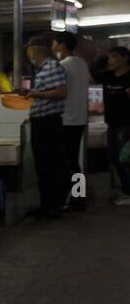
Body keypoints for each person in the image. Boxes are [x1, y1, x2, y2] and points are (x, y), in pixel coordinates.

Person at [19, 34, 68, 220]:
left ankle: (54, 207)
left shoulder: (51, 66)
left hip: (49, 121)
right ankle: (46, 205)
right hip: (41, 121)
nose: (27, 53)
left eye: (28, 49)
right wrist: (32, 94)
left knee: (51, 164)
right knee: (43, 165)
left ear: (35, 49)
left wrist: (35, 95)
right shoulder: (40, 69)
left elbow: (61, 92)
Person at [52, 31, 90, 212]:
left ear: (62, 46)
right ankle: (79, 196)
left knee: (67, 162)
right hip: (80, 118)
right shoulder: (81, 63)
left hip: (67, 119)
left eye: (54, 43)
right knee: (75, 160)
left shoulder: (63, 66)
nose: (53, 47)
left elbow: (59, 92)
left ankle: (69, 198)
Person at [95, 45, 130, 205]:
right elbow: (92, 74)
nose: (111, 61)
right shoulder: (108, 76)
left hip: (126, 124)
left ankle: (128, 193)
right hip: (112, 123)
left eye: (114, 57)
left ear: (125, 58)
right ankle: (125, 189)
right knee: (114, 158)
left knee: (125, 159)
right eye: (110, 57)